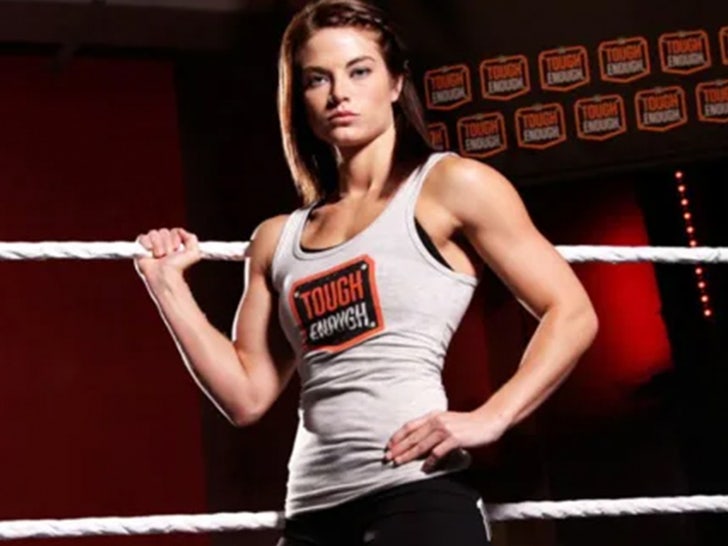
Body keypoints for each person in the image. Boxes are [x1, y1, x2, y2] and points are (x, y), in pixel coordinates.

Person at [134, 0, 599, 544]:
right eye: (318, 79)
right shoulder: (277, 238)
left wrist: (493, 416)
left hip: (416, 494)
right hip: (311, 511)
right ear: (299, 98)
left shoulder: (450, 187)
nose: (339, 94)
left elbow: (572, 312)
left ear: (396, 83)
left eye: (359, 71)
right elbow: (245, 396)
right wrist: (166, 286)